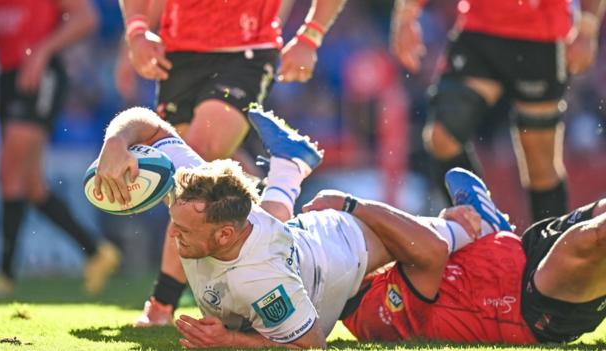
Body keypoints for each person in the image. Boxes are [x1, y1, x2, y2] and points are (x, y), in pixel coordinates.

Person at [94, 106, 494, 348]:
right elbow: (148, 124)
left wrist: (229, 342)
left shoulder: (262, 279)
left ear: (224, 235)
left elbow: (311, 345)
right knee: (272, 223)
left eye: (182, 231)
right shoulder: (196, 196)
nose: (172, 233)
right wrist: (115, 143)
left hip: (340, 246)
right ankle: (289, 166)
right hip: (291, 237)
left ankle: (474, 227)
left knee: (425, 249)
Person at [117, 0, 348, 326]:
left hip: (246, 50)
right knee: (211, 180)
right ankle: (284, 185)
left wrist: (311, 36)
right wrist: (136, 32)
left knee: (190, 168)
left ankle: (161, 304)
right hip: (178, 54)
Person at [330, 167, 606, 345]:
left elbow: (430, 248)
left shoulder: (370, 272)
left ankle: (487, 227)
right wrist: (354, 207)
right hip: (530, 304)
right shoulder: (371, 318)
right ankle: (486, 226)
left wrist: (453, 224)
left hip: (524, 247)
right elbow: (433, 252)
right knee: (595, 236)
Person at [391, 0, 606, 221]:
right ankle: (483, 231)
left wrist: (587, 28)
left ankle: (550, 246)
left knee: (540, 164)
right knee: (442, 136)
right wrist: (407, 15)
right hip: (478, 31)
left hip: (541, 37)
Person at [0, 0, 120, 296]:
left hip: (40, 75)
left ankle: (4, 274)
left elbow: (87, 18)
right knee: (31, 186)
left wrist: (43, 50)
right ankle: (96, 250)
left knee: (8, 172)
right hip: (8, 78)